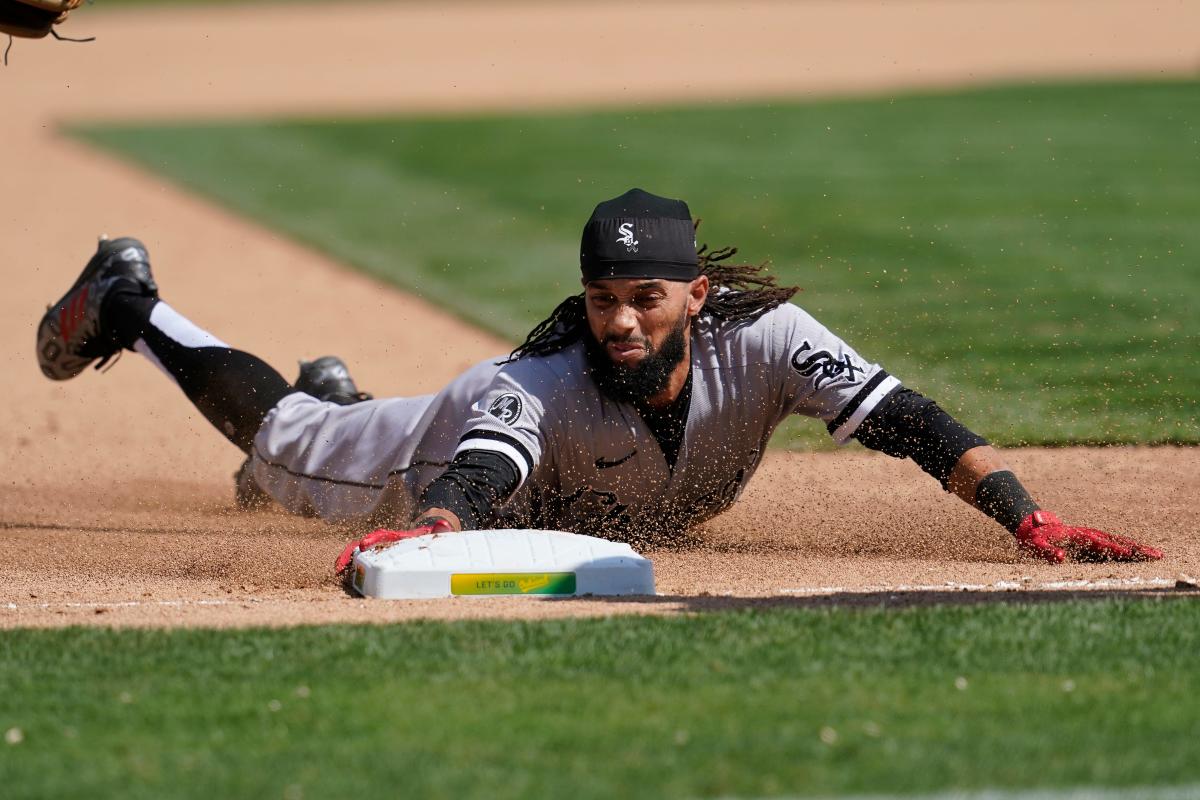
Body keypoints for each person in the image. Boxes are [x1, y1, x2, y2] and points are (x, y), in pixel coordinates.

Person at [36, 188, 1163, 574]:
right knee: (281, 435)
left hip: (444, 447)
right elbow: (485, 472)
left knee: (317, 412)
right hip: (416, 466)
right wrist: (424, 530)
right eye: (601, 298)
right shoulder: (533, 382)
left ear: (696, 298)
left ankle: (337, 394)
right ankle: (133, 304)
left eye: (645, 298)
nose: (619, 320)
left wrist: (1028, 514)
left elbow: (905, 417)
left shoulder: (771, 340)